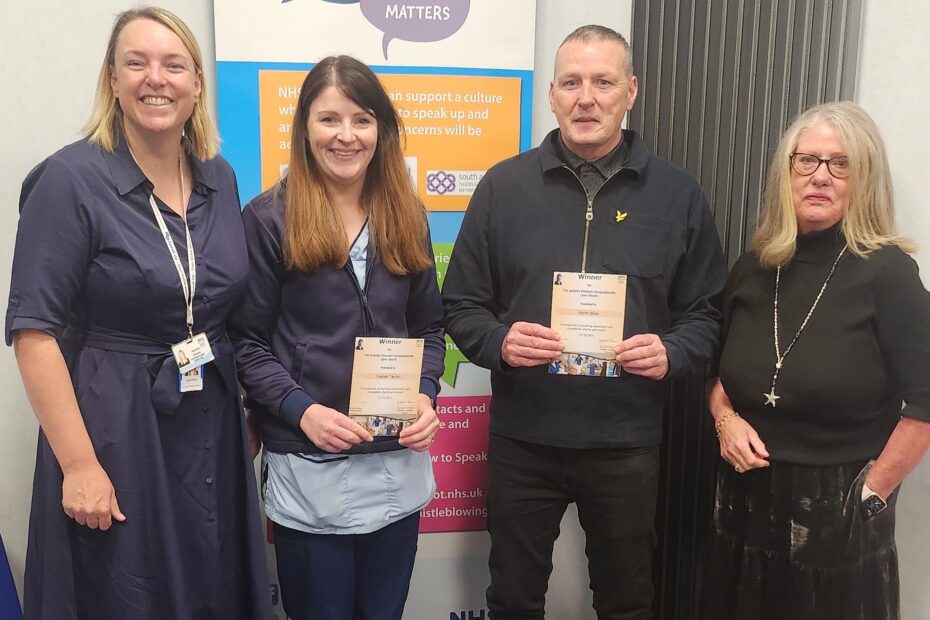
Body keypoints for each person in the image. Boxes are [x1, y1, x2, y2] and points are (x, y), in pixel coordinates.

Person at [442, 24, 727, 619]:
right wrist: (499, 341)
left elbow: (707, 314)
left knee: (627, 602)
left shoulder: (678, 195)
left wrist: (672, 353)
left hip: (626, 444)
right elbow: (460, 304)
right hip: (525, 439)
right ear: (551, 94)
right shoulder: (503, 187)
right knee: (513, 599)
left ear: (632, 91)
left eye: (603, 82)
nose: (586, 97)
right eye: (571, 82)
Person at [6, 7, 270, 619]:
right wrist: (79, 466)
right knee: (128, 591)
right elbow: (33, 334)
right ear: (113, 79)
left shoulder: (218, 175)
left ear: (197, 83)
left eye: (174, 64)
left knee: (212, 579)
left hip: (209, 417)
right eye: (138, 62)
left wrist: (250, 412)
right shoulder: (69, 180)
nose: (157, 78)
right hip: (115, 426)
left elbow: (220, 304)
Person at [229, 55, 444, 620]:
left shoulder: (408, 215)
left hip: (396, 470)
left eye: (362, 119)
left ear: (382, 129)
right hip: (310, 468)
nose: (346, 136)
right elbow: (246, 343)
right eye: (329, 120)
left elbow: (429, 329)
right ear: (304, 127)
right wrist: (302, 412)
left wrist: (425, 395)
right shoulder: (268, 219)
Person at [702, 101, 930, 620]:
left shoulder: (888, 274)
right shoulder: (753, 267)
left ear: (864, 178)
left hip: (838, 515)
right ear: (787, 173)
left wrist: (873, 494)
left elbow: (926, 399)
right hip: (743, 500)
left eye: (840, 163)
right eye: (806, 161)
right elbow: (716, 372)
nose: (820, 176)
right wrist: (724, 419)